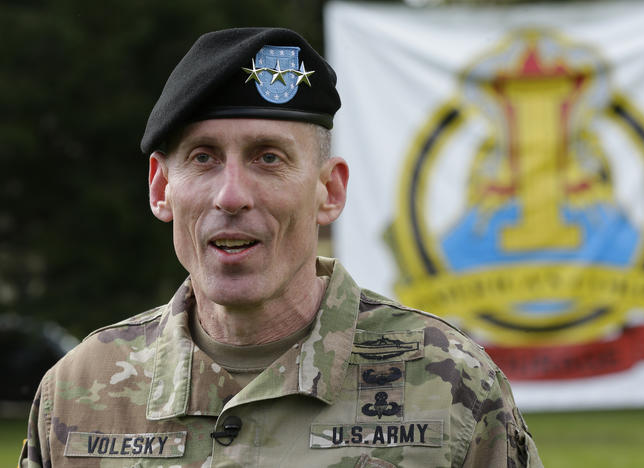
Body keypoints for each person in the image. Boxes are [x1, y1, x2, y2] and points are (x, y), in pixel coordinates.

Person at [19, 27, 542, 468]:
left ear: (329, 191)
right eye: (203, 158)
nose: (232, 195)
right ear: (161, 189)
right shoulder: (78, 391)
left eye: (268, 158)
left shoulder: (451, 380)